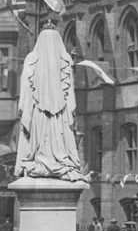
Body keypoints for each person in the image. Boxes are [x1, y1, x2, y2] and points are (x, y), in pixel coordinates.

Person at [14, 25, 87, 181]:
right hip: (61, 119)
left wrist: (25, 111)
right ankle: (59, 162)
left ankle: (39, 161)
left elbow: (25, 93)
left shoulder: (31, 59)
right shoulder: (65, 60)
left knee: (37, 146)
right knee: (59, 145)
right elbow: (71, 100)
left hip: (37, 117)